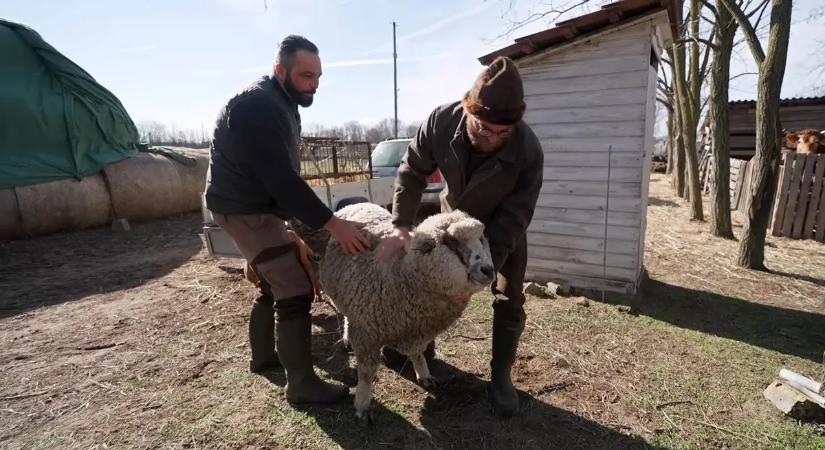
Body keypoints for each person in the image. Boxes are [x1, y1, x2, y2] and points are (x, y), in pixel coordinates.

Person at [375, 56, 544, 417]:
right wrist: (401, 224)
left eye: (504, 133)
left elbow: (517, 214)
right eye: (483, 128)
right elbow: (411, 170)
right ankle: (419, 346)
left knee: (509, 296)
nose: (492, 139)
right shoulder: (440, 122)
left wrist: (482, 269)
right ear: (468, 109)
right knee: (428, 286)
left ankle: (501, 377)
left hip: (501, 231)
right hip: (450, 225)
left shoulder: (528, 150)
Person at [204, 35, 369, 404]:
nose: (314, 84)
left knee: (273, 279)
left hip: (252, 204)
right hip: (246, 208)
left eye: (318, 76)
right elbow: (280, 179)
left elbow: (282, 175)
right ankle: (301, 385)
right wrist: (333, 224)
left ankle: (264, 357)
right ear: (280, 70)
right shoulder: (259, 106)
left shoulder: (282, 101)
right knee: (294, 286)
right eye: (306, 75)